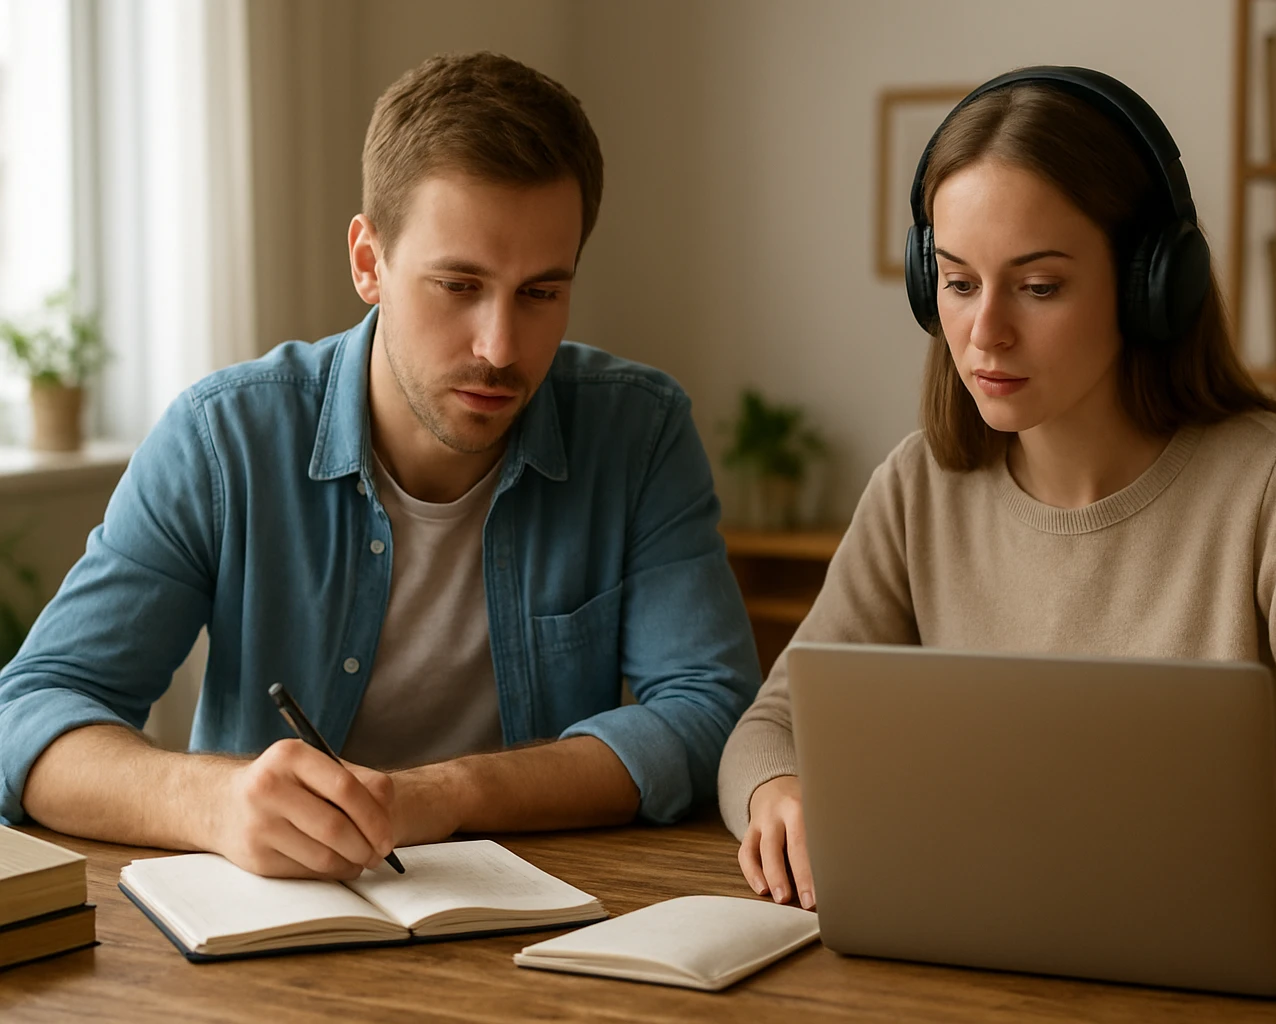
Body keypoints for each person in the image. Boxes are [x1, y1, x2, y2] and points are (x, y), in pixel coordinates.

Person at [718, 67, 1276, 911]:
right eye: (959, 283)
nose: (986, 332)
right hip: (969, 953)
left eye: (1039, 287)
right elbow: (770, 728)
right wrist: (776, 795)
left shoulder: (1275, 484)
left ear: (1152, 284)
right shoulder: (917, 486)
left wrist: (1110, 858)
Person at [0, 52, 760, 880]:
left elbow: (708, 713)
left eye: (541, 293)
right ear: (368, 263)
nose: (500, 348)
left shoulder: (639, 432)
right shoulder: (224, 439)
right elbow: (29, 713)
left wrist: (446, 794)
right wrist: (212, 802)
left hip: (543, 929)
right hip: (265, 934)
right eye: (458, 285)